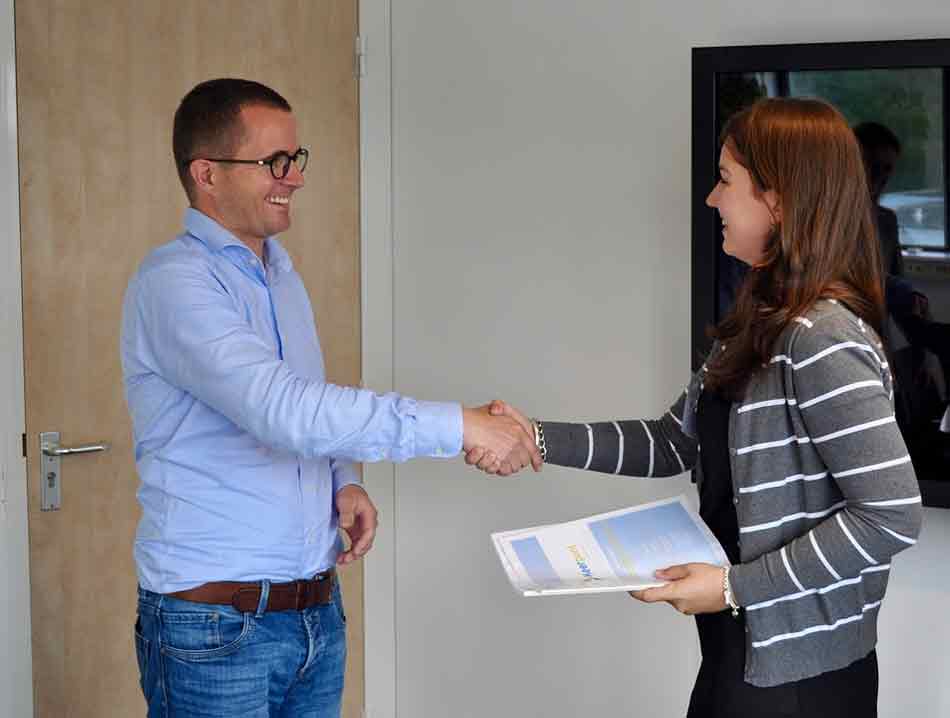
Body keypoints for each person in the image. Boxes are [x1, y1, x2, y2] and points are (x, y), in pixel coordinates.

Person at [469, 98, 922, 717]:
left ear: (780, 199)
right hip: (740, 650)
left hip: (798, 681)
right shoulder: (762, 321)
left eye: (726, 180)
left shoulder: (820, 338)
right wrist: (534, 438)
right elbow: (674, 442)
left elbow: (891, 513)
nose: (712, 199)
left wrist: (735, 586)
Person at [121, 78, 540, 718]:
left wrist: (343, 480)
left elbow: (307, 406)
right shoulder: (176, 284)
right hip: (214, 626)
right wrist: (462, 427)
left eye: (296, 158)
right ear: (207, 173)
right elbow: (283, 411)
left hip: (314, 613)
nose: (294, 177)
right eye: (273, 162)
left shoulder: (280, 274)